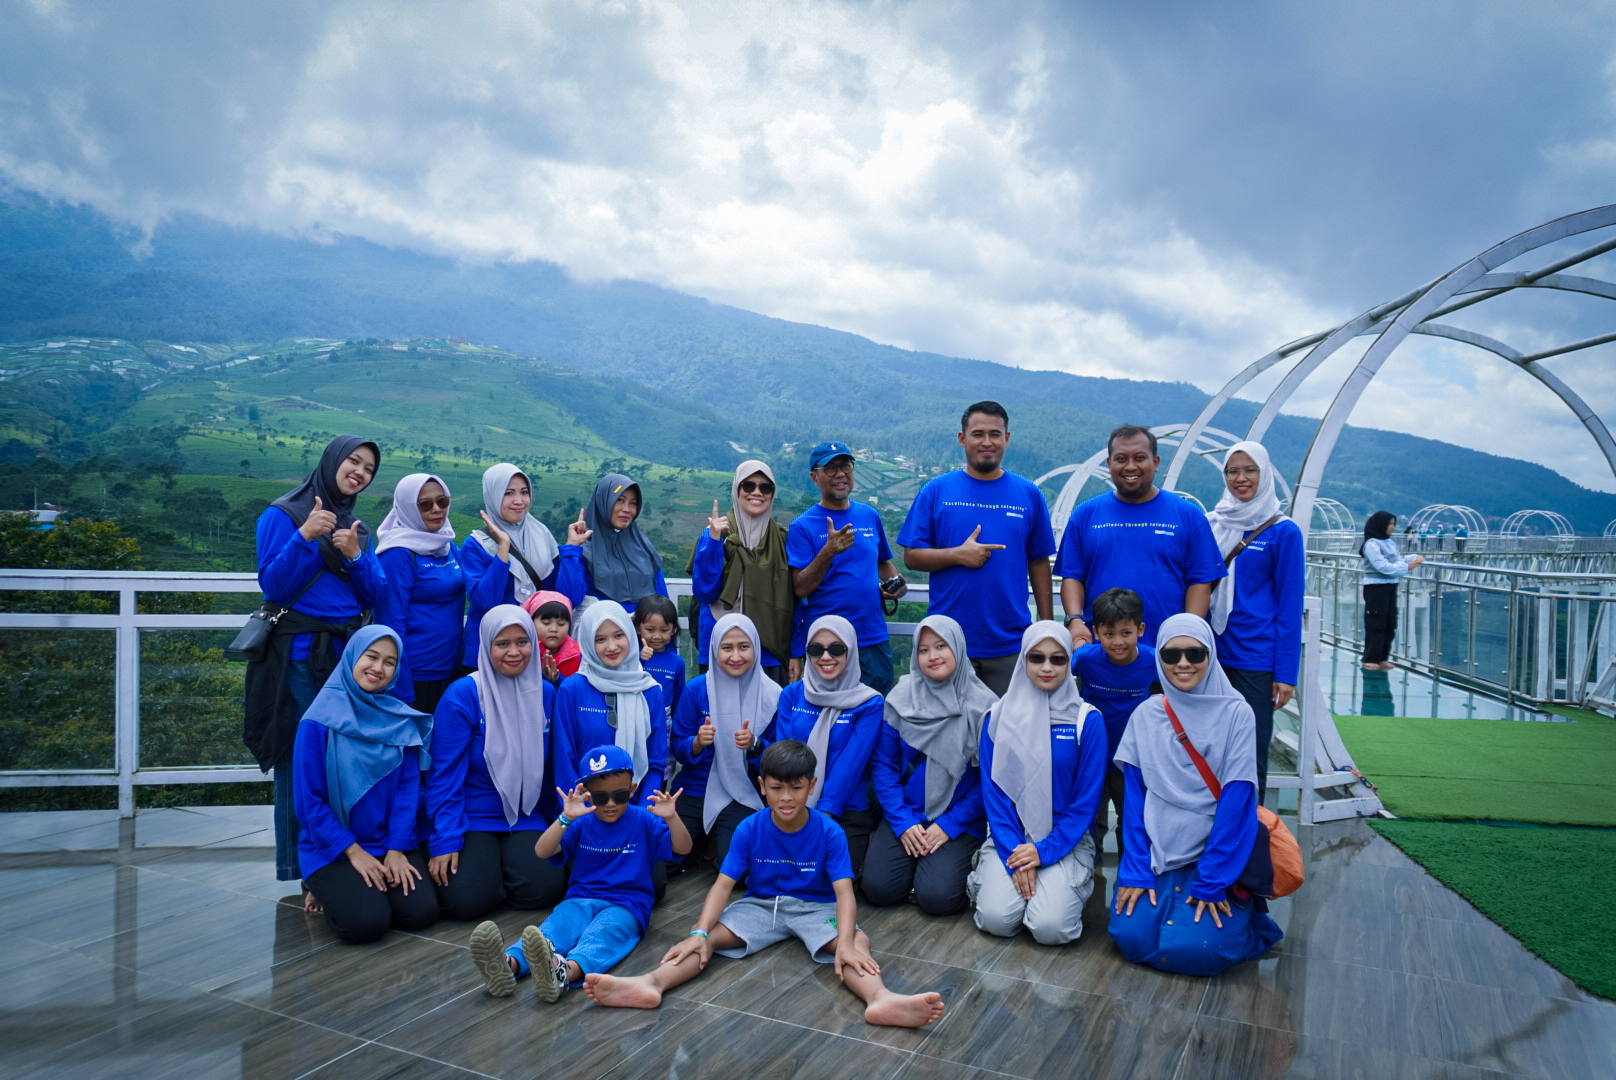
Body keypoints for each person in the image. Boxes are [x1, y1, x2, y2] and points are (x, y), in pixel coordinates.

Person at [582, 740, 947, 1030]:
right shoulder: (750, 828)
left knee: (856, 943)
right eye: (776, 788)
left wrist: (848, 942)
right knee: (705, 940)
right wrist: (699, 931)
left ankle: (880, 999)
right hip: (760, 906)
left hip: (815, 909)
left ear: (811, 786)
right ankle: (652, 983)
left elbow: (844, 893)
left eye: (796, 788)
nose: (786, 797)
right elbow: (722, 886)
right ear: (762, 786)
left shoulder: (829, 831)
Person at [246, 435, 385, 899]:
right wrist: (305, 536)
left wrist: (355, 556)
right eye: (353, 461)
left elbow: (375, 594)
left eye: (368, 469)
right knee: (302, 760)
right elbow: (273, 583)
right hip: (302, 656)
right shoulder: (283, 514)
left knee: (340, 760)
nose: (360, 472)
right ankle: (307, 867)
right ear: (332, 461)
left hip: (346, 659)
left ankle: (335, 859)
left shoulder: (356, 526)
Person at [1108, 613, 1284, 976]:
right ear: (1159, 657)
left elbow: (1237, 801)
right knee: (1130, 938)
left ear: (1211, 655)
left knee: (1198, 952)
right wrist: (1136, 871)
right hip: (1159, 854)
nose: (1183, 663)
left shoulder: (1237, 713)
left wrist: (1212, 880)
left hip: (1216, 854)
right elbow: (1135, 802)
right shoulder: (1146, 714)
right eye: (1171, 655)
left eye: (1195, 653)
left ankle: (1250, 928)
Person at [467, 745, 691, 1002]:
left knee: (603, 934)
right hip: (580, 899)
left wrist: (672, 818)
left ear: (632, 790)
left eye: (619, 795)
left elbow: (683, 848)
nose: (610, 804)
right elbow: (542, 851)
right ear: (586, 794)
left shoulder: (644, 819)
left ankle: (563, 973)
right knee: (553, 928)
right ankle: (509, 964)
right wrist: (565, 817)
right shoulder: (581, 821)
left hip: (627, 904)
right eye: (600, 797)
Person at [898, 402, 1057, 695]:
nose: (987, 442)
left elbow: (1038, 562)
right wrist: (957, 554)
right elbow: (912, 557)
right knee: (948, 722)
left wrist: (1046, 627)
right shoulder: (936, 491)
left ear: (1007, 438)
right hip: (947, 641)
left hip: (1011, 642)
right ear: (962, 439)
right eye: (978, 434)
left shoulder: (1029, 494)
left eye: (995, 434)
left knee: (1007, 720)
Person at [293, 626, 437, 943]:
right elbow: (309, 803)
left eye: (389, 662)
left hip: (387, 842)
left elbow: (407, 791)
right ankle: (320, 885)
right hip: (333, 846)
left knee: (421, 913)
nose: (378, 668)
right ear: (352, 657)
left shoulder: (398, 721)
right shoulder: (317, 722)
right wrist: (353, 852)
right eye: (371, 657)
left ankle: (351, 891)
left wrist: (397, 848)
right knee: (366, 923)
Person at [425, 606, 567, 920]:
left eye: (522, 642)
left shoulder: (545, 693)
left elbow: (553, 770)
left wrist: (558, 824)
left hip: (526, 814)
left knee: (544, 890)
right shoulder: (463, 694)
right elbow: (443, 775)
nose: (514, 652)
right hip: (472, 815)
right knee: (466, 901)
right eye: (502, 644)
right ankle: (490, 875)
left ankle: (499, 874)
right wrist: (445, 839)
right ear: (486, 646)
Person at [969, 622, 1105, 945]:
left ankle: (1065, 887)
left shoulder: (1087, 721)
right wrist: (1017, 855)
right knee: (996, 919)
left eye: (1058, 659)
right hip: (1011, 837)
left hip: (1066, 838)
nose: (1047, 667)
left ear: (1069, 662)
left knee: (1051, 928)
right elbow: (995, 797)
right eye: (1036, 657)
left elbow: (1084, 805)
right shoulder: (996, 718)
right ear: (1023, 660)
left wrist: (1043, 852)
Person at [865, 615, 993, 916]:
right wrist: (901, 821)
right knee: (878, 888)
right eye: (923, 650)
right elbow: (884, 764)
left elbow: (989, 781)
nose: (932, 656)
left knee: (938, 898)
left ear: (958, 648)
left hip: (958, 819)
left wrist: (949, 825)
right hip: (906, 812)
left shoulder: (985, 707)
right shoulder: (900, 698)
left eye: (941, 646)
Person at [1058, 425, 1226, 648]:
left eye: (1139, 458)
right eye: (1121, 459)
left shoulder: (1188, 515)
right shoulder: (1085, 514)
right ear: (1109, 464)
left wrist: (1187, 632)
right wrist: (1074, 620)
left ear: (1155, 463)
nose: (1130, 466)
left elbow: (1201, 581)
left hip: (1169, 652)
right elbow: (1072, 576)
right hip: (1102, 651)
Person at [1204, 441, 1303, 803]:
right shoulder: (1213, 524)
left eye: (1250, 470)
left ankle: (1249, 828)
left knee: (1250, 751)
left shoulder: (1283, 531)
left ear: (1265, 474)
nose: (1240, 478)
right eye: (1232, 471)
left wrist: (1286, 673)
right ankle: (1208, 826)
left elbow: (1290, 606)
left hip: (1255, 659)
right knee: (1208, 747)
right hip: (1210, 655)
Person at [764, 615, 885, 876]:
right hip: (791, 803)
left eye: (837, 649)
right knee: (768, 875)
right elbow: (785, 756)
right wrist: (796, 813)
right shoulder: (792, 694)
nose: (826, 657)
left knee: (830, 879)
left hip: (844, 808)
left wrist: (820, 819)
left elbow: (849, 765)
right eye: (816, 650)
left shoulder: (869, 703)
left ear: (850, 652)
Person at [788, 441, 906, 695]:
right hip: (827, 645)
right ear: (814, 477)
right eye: (830, 468)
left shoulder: (869, 515)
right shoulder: (802, 526)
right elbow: (800, 588)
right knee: (829, 712)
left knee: (875, 709)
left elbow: (883, 562)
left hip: (872, 637)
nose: (840, 474)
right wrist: (828, 551)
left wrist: (897, 586)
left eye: (845, 466)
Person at [669, 613, 775, 870]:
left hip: (741, 792)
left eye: (744, 647)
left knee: (736, 869)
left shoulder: (772, 695)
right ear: (714, 650)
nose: (736, 656)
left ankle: (714, 842)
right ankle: (701, 844)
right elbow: (677, 745)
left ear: (756, 648)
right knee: (663, 863)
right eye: (727, 648)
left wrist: (755, 744)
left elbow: (779, 755)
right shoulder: (697, 688)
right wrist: (696, 743)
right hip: (695, 789)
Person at [462, 463, 585, 671]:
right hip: (489, 651)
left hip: (534, 652)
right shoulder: (475, 545)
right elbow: (486, 601)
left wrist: (572, 548)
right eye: (508, 493)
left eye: (524, 492)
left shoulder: (542, 535)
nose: (519, 501)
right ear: (492, 495)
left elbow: (569, 598)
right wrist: (502, 550)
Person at [690, 460, 797, 684]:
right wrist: (713, 543)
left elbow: (793, 601)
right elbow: (705, 593)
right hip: (721, 646)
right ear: (736, 490)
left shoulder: (782, 539)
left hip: (769, 649)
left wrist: (796, 651)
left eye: (765, 487)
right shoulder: (715, 533)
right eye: (748, 485)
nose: (757, 492)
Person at [552, 601, 668, 807]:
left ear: (630, 635)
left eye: (618, 635)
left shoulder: (650, 691)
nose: (612, 647)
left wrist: (642, 814)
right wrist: (580, 812)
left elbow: (656, 762)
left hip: (635, 809)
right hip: (583, 810)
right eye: (600, 639)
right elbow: (564, 759)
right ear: (587, 642)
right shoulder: (572, 689)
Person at [1069, 588, 1155, 861]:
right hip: (1089, 756)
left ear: (1140, 629)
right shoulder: (1085, 659)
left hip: (1129, 759)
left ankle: (1129, 875)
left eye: (1126, 633)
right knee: (1089, 819)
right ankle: (1087, 872)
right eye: (1108, 634)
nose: (1118, 642)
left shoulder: (1154, 661)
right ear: (1095, 633)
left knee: (1131, 819)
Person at [374, 472, 463, 714]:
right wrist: (402, 689)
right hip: (416, 674)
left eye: (442, 501)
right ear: (408, 508)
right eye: (425, 504)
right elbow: (391, 623)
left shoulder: (446, 545)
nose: (437, 509)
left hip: (449, 669)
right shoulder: (398, 553)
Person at [578, 473, 668, 612]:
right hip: (600, 624)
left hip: (641, 625)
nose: (627, 509)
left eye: (633, 503)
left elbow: (662, 602)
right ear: (603, 502)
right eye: (619, 500)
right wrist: (571, 548)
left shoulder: (643, 546)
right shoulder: (584, 547)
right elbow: (571, 597)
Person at [1360, 511, 1423, 671]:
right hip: (1375, 586)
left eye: (1393, 524)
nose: (1392, 527)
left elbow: (1397, 560)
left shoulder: (1389, 542)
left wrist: (1414, 558)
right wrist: (1406, 567)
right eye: (1389, 524)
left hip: (1390, 584)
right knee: (1376, 621)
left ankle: (1382, 657)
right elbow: (1382, 566)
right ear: (1380, 525)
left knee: (1389, 622)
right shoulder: (1371, 544)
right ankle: (1370, 657)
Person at [634, 594, 687, 720]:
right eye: (650, 630)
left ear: (673, 630)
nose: (657, 636)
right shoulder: (631, 657)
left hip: (664, 720)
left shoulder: (677, 662)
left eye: (664, 630)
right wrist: (640, 659)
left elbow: (679, 698)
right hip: (636, 717)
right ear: (638, 628)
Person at [522, 590, 580, 684]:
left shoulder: (579, 655)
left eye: (561, 624)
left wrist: (557, 679)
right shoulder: (524, 653)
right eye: (546, 623)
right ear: (531, 623)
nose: (553, 629)